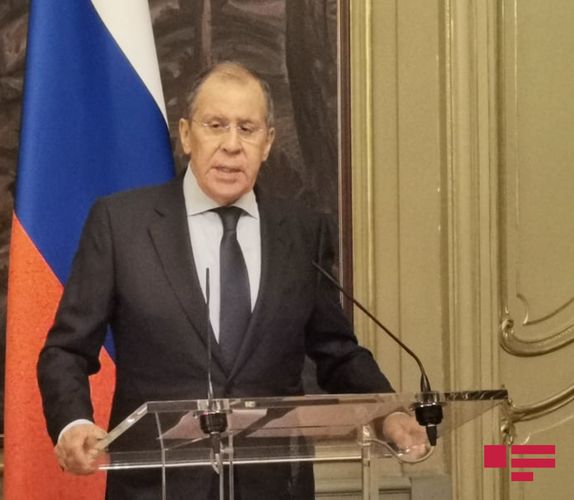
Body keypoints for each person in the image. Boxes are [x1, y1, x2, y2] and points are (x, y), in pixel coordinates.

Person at [37, 61, 426, 499]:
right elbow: (66, 350)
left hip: (272, 487)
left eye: (247, 128)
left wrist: (388, 412)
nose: (232, 145)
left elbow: (337, 352)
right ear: (187, 135)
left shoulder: (301, 232)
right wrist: (73, 422)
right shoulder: (121, 223)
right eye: (216, 125)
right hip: (157, 487)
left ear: (268, 142)